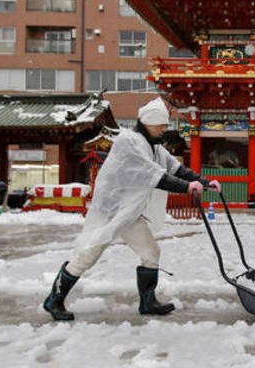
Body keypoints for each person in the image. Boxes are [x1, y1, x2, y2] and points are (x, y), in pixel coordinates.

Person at [42, 97, 220, 321]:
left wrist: (204, 182)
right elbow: (154, 175)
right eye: (162, 125)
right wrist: (187, 188)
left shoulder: (154, 146)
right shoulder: (129, 142)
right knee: (88, 256)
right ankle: (54, 300)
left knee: (150, 252)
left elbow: (176, 169)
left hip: (130, 212)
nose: (165, 129)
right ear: (149, 123)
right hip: (111, 210)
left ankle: (148, 302)